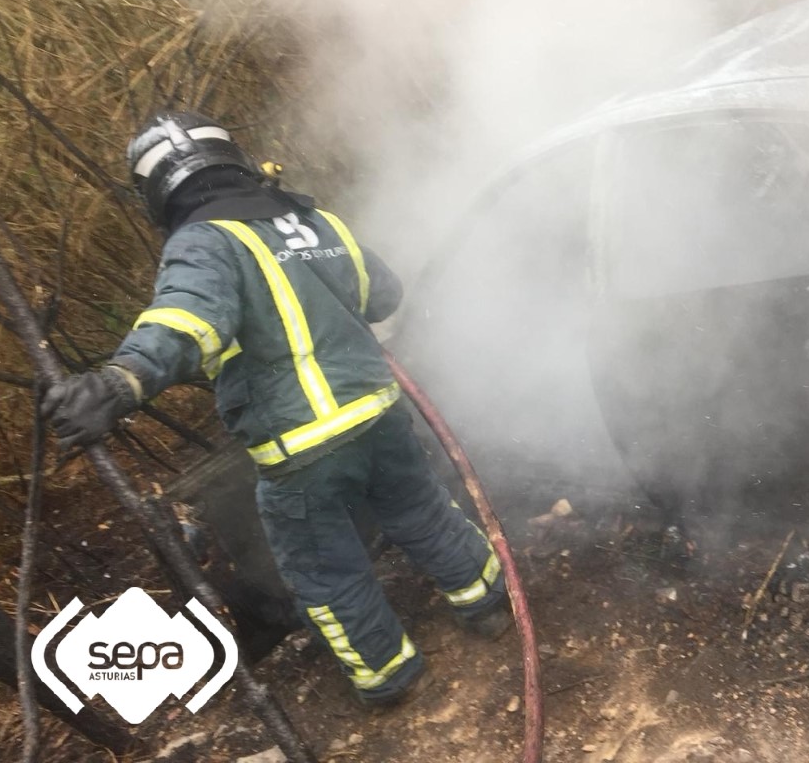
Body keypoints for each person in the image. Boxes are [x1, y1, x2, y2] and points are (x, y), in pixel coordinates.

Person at [41, 110, 509, 708]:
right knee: (421, 509)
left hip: (301, 449)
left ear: (158, 191)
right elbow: (383, 293)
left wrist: (118, 384)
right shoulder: (313, 220)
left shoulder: (202, 241)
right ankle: (486, 604)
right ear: (233, 159)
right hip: (378, 412)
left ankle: (389, 676)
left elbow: (188, 320)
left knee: (325, 569)